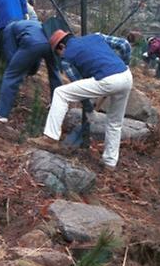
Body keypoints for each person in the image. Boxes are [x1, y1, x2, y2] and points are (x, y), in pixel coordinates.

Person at [30, 30, 133, 169]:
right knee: (115, 123)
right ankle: (110, 163)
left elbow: (79, 88)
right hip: (126, 76)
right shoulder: (97, 36)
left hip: (108, 80)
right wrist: (124, 65)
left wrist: (89, 110)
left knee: (61, 93)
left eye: (57, 53)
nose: (59, 57)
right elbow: (124, 43)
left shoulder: (66, 58)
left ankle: (50, 137)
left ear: (61, 47)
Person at [0, 20, 62, 123]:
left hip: (33, 43)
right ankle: (56, 106)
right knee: (54, 74)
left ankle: (1, 114)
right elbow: (36, 58)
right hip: (51, 43)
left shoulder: (8, 29)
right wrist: (31, 70)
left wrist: (19, 70)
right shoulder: (31, 23)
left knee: (11, 75)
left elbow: (10, 54)